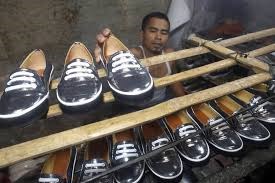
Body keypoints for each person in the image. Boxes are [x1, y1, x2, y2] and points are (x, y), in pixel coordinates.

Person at [94, 12, 186, 108]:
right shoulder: (135, 55)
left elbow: (175, 82)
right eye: (153, 31)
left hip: (161, 105)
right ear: (142, 34)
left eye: (164, 33)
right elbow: (119, 56)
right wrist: (107, 47)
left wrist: (188, 103)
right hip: (137, 108)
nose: (158, 37)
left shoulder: (169, 55)